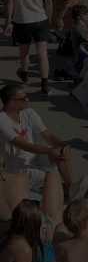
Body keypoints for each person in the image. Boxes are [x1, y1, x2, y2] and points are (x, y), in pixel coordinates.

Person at [0, 85, 73, 219]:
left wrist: (62, 146)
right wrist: (50, 151)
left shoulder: (28, 112)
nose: (27, 100)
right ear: (11, 102)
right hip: (18, 168)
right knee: (51, 178)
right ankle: (65, 195)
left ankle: (70, 189)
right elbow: (25, 146)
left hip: (34, 157)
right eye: (23, 98)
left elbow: (47, 135)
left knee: (61, 153)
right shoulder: (2, 120)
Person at [3, 0, 53, 94]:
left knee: (24, 51)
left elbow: (9, 1)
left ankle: (24, 75)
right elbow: (48, 0)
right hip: (40, 18)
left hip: (21, 20)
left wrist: (8, 22)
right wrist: (49, 18)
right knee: (42, 53)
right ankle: (45, 83)